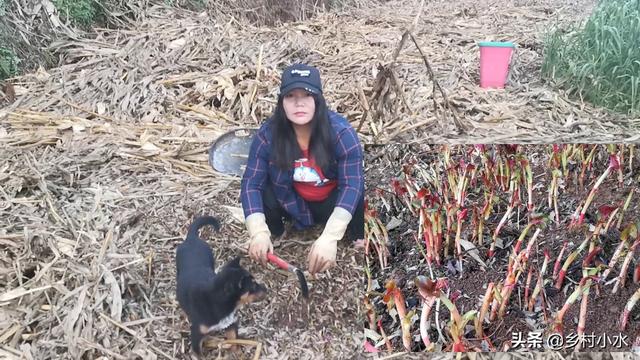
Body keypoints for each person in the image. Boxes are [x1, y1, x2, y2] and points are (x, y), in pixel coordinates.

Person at [240, 63, 365, 275]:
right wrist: (257, 232)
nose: (299, 103)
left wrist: (330, 237)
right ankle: (273, 234)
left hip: (329, 201)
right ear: (282, 102)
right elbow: (251, 183)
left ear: (318, 100)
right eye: (290, 96)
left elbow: (352, 186)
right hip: (292, 200)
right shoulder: (268, 134)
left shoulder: (341, 133)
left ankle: (358, 236)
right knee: (264, 192)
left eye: (307, 95)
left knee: (361, 195)